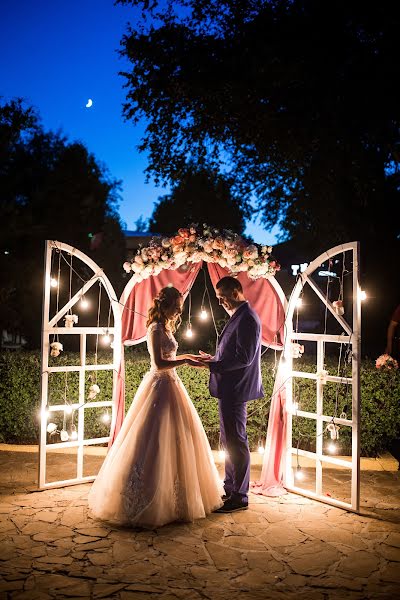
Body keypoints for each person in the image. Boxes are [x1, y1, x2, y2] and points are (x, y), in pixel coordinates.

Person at [88, 286, 223, 528]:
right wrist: (186, 359)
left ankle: (177, 499)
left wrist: (194, 361)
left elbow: (171, 361)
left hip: (172, 385)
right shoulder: (154, 328)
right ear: (165, 304)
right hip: (159, 386)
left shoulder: (166, 327)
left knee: (177, 438)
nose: (178, 312)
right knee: (154, 438)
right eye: (176, 307)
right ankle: (144, 498)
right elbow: (159, 363)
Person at [198, 276, 264, 513]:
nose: (220, 302)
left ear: (237, 291)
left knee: (236, 441)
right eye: (218, 297)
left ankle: (240, 496)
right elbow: (231, 354)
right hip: (229, 388)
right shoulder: (239, 316)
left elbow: (243, 358)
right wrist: (213, 359)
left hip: (236, 389)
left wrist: (211, 366)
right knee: (229, 441)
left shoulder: (247, 318)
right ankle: (231, 489)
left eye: (223, 296)